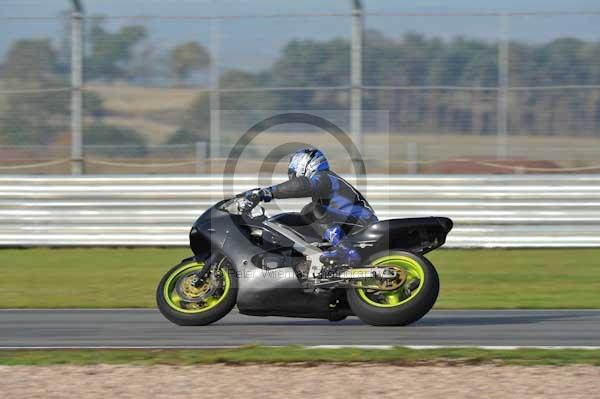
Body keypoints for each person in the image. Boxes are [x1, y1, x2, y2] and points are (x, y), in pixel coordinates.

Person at [241, 147, 377, 267]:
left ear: (304, 165)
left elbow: (302, 186)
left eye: (294, 171)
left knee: (310, 210)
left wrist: (266, 192)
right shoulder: (325, 181)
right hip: (345, 221)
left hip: (361, 222)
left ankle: (345, 250)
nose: (292, 176)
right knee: (287, 220)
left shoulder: (325, 177)